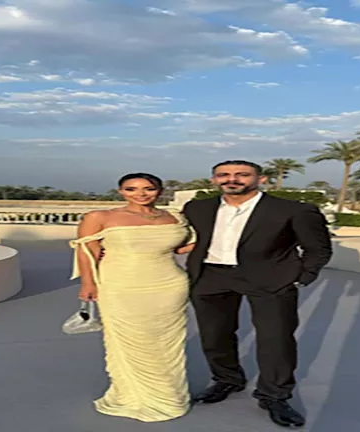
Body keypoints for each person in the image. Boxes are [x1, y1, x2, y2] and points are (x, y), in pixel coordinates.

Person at [181, 160, 333, 429]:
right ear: (214, 179)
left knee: (275, 339)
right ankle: (227, 379)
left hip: (271, 278)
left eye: (242, 174)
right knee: (215, 335)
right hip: (210, 276)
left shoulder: (293, 210)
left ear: (261, 179)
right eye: (223, 174)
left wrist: (301, 277)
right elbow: (184, 237)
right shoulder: (197, 208)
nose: (232, 179)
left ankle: (274, 396)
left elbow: (318, 248)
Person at [69, 173, 195, 423]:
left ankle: (169, 396)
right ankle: (135, 397)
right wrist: (88, 284)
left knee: (167, 343)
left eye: (148, 188)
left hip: (170, 285)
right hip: (121, 285)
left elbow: (181, 247)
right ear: (121, 192)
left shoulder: (174, 217)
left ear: (160, 191)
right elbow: (87, 251)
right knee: (130, 341)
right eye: (131, 189)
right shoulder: (99, 217)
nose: (141, 194)